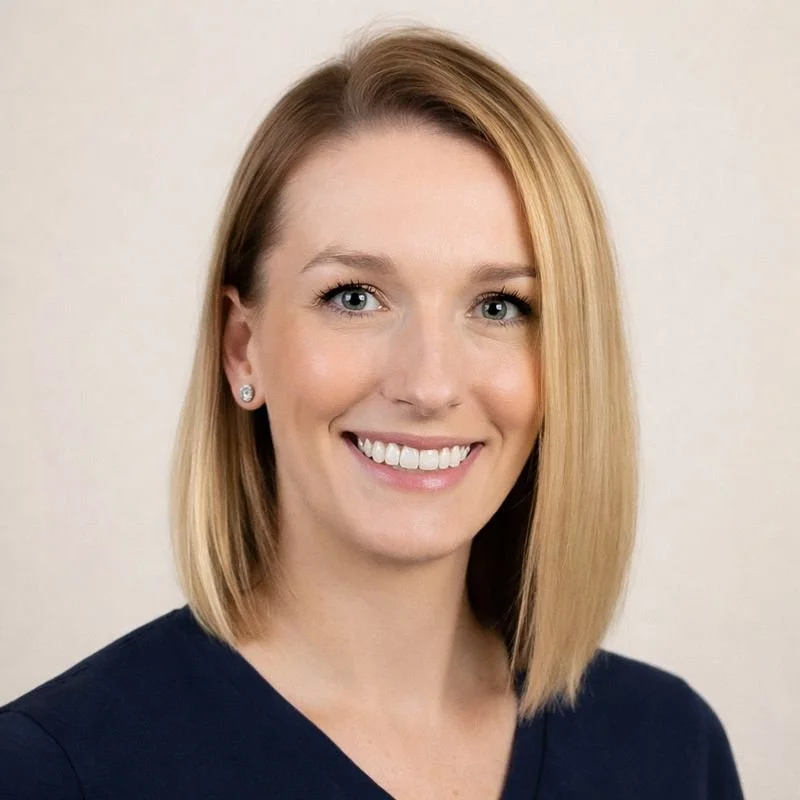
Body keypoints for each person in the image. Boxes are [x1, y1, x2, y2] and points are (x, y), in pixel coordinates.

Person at [0, 23, 744, 799]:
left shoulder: (670, 749)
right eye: (353, 297)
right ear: (242, 348)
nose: (428, 384)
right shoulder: (54, 771)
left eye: (498, 305)